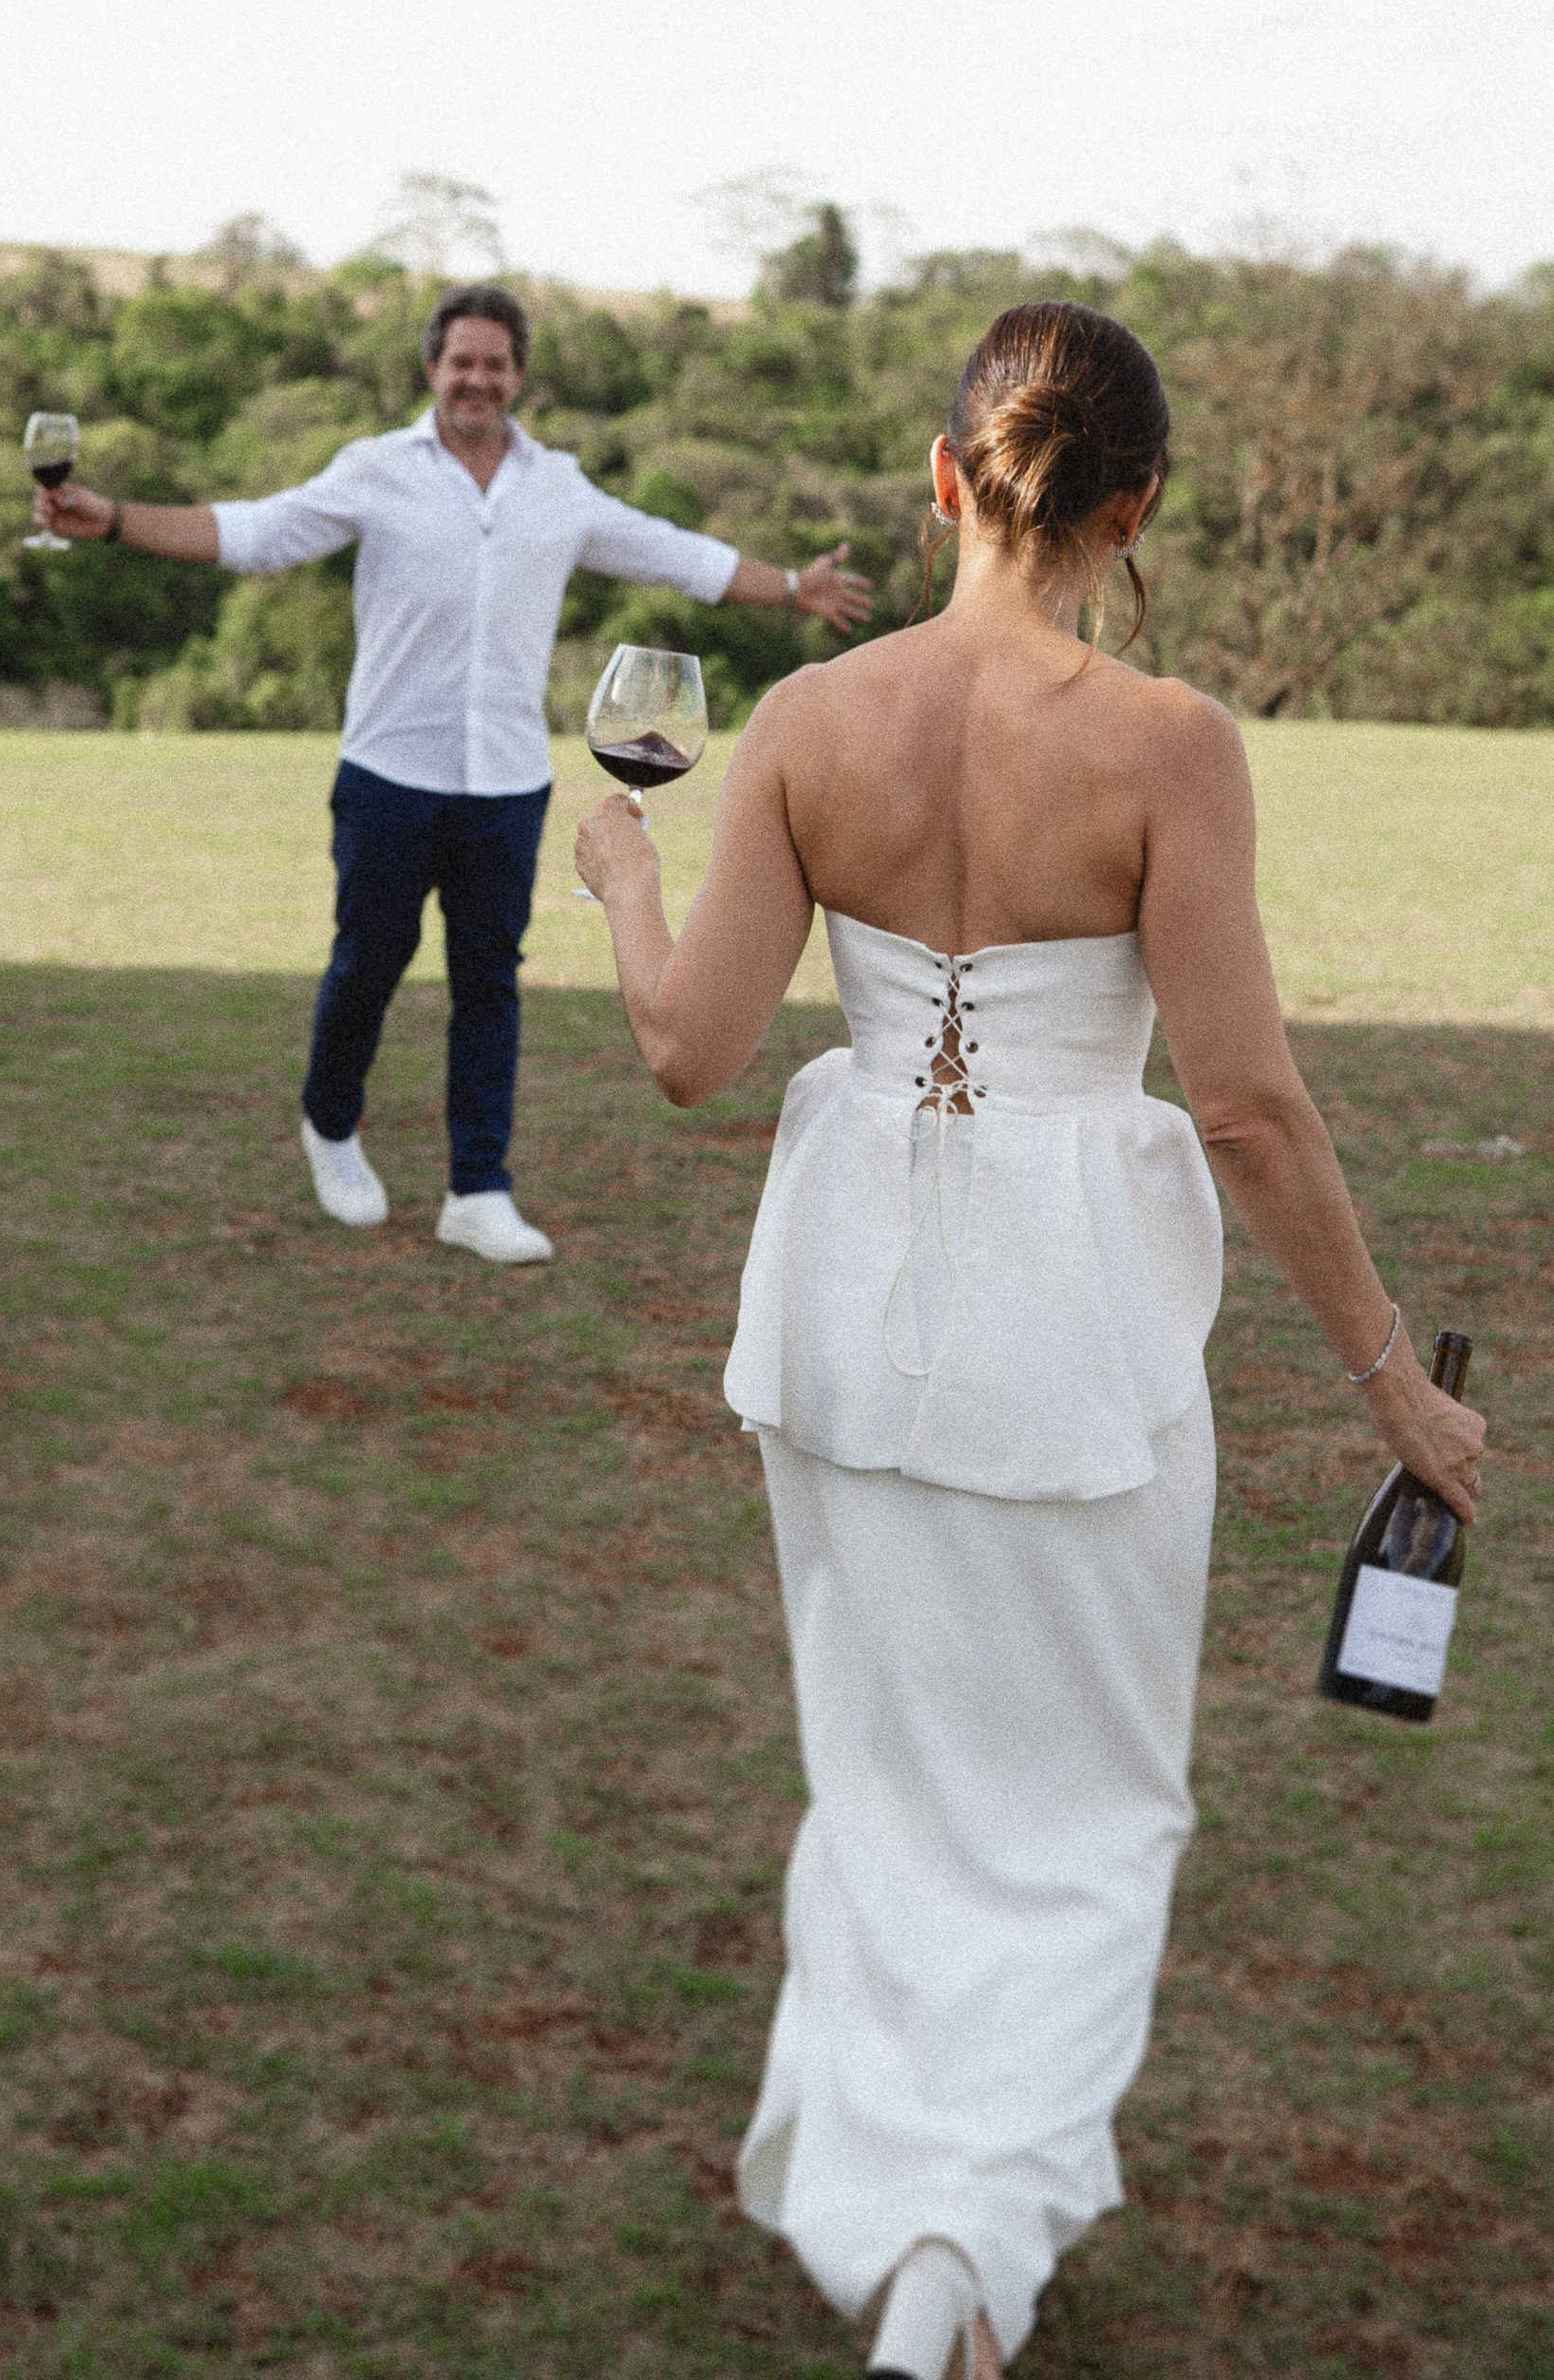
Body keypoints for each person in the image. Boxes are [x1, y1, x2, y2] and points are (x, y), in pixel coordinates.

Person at [573, 301, 1486, 2378]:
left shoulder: (808, 717)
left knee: (890, 1801)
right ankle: (954, 2270)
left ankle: (922, 2243)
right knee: (1081, 1821)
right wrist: (1389, 1386)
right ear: (1133, 506)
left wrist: (619, 872)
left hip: (846, 1324)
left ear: (940, 476)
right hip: (1071, 1341)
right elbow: (1245, 1109)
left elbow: (688, 1051)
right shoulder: (1166, 744)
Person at [34, 280, 873, 1263]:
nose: (478, 378)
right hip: (387, 772)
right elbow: (255, 534)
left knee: (489, 985)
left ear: (518, 376)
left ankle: (478, 1188)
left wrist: (791, 586)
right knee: (367, 965)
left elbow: (672, 553)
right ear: (431, 368)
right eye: (461, 361)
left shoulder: (557, 486)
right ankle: (330, 1124)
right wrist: (114, 517)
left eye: (495, 364)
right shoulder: (375, 470)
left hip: (506, 785)